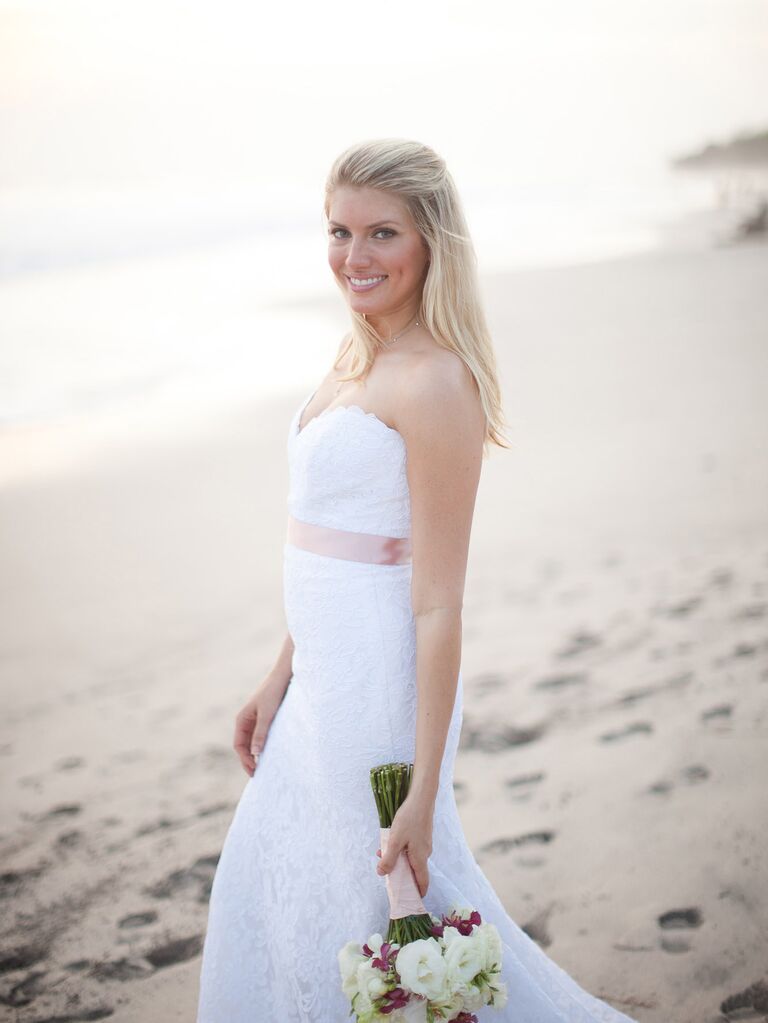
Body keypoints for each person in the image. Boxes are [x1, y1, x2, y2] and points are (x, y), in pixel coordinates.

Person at [196, 138, 638, 1022]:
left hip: (377, 696)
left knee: (381, 911)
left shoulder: (436, 381)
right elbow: (337, 547)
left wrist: (426, 791)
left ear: (431, 240)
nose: (354, 258)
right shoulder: (356, 354)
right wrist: (279, 675)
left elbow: (437, 600)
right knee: (281, 881)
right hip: (319, 679)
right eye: (339, 231)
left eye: (381, 234)